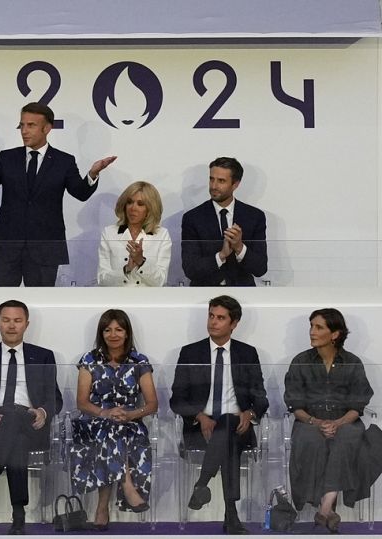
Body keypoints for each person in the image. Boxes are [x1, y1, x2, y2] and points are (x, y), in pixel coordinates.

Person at [0, 102, 116, 286]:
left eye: (31, 125)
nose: (24, 131)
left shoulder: (63, 161)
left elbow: (80, 192)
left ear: (47, 128)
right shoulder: (7, 158)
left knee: (41, 303)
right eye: (22, 125)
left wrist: (93, 174)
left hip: (46, 249)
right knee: (1, 301)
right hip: (8, 247)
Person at [169, 295, 268, 535]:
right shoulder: (191, 353)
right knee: (227, 439)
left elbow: (262, 398)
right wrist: (200, 416)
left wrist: (250, 413)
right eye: (211, 315)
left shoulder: (247, 354)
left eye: (220, 318)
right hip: (199, 430)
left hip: (240, 429)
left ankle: (203, 484)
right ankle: (231, 515)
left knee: (228, 424)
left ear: (234, 324)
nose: (213, 322)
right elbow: (176, 400)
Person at [0, 300, 62, 534]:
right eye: (6, 320)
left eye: (17, 321)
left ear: (26, 324)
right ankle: (18, 516)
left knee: (15, 416)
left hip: (32, 425)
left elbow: (54, 399)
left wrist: (43, 412)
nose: (11, 326)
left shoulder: (43, 356)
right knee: (14, 431)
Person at [283, 308, 374, 533]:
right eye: (311, 326)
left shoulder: (352, 362)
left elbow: (357, 406)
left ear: (335, 334)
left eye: (319, 327)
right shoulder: (300, 361)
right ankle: (328, 511)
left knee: (348, 438)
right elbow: (295, 406)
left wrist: (338, 423)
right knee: (311, 440)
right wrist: (316, 422)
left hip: (346, 421)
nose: (312, 332)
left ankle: (324, 508)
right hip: (309, 421)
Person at [69, 309, 157, 530]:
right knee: (110, 429)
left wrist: (130, 415)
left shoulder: (139, 361)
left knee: (115, 432)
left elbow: (152, 403)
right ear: (101, 333)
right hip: (94, 420)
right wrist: (105, 413)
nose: (113, 334)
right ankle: (127, 486)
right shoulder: (90, 359)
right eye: (107, 330)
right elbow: (82, 402)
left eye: (119, 329)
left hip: (130, 420)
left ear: (127, 333)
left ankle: (102, 506)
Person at [181, 157, 267, 286]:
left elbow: (260, 268)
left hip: (242, 295)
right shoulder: (193, 218)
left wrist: (239, 248)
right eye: (211, 179)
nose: (214, 186)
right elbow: (190, 269)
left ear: (235, 184)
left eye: (221, 181)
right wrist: (221, 256)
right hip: (204, 294)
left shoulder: (254, 217)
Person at [97, 181, 171, 286]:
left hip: (148, 300)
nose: (133, 208)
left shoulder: (162, 235)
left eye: (140, 204)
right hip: (117, 299)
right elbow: (102, 280)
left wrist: (141, 262)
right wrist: (126, 270)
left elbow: (161, 281)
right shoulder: (109, 233)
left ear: (150, 208)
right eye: (130, 202)